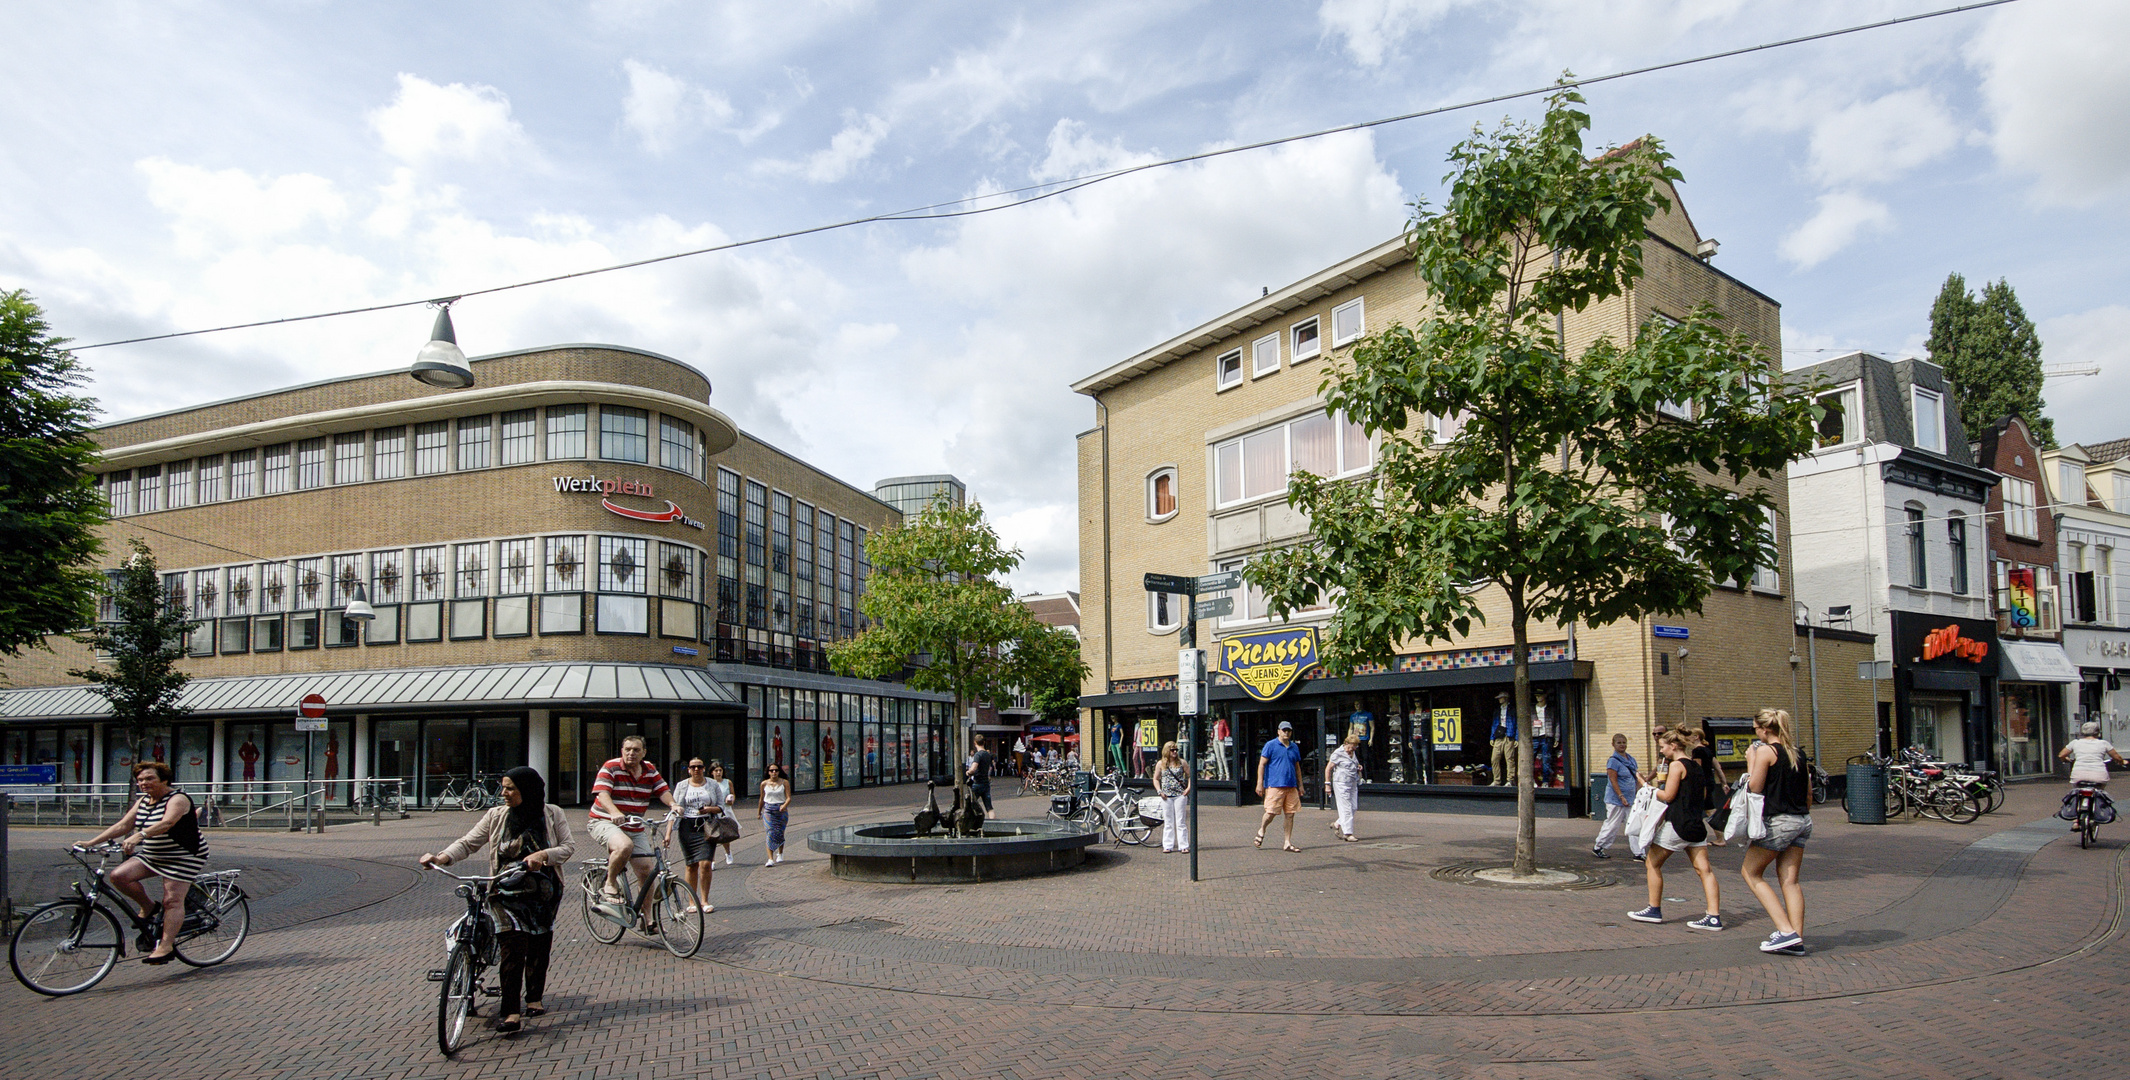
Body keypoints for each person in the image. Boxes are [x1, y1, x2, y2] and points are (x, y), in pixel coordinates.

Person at [421, 767, 574, 1033]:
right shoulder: (495, 815)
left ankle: (534, 997)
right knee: (512, 949)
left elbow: (568, 847)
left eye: (510, 788)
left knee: (539, 943)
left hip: (543, 893)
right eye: (503, 787)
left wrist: (544, 855)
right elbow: (469, 842)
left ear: (527, 790)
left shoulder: (552, 813)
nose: (503, 793)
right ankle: (511, 1012)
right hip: (502, 892)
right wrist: (442, 857)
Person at [82, 761, 206, 964]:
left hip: (183, 856)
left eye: (149, 778)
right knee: (119, 876)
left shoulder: (178, 799)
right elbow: (123, 825)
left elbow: (167, 823)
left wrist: (140, 835)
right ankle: (148, 907)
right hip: (153, 854)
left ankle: (165, 947)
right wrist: (91, 842)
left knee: (172, 901)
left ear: (164, 779)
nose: (143, 783)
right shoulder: (142, 801)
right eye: (140, 780)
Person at [1629, 728, 1722, 931]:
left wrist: (1648, 787)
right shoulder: (1696, 766)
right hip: (1697, 824)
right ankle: (1713, 916)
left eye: (1663, 747)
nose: (1662, 751)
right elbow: (1704, 793)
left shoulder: (1677, 765)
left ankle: (1654, 909)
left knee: (1652, 863)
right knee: (1704, 870)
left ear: (1673, 746)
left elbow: (1668, 796)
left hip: (1678, 823)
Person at [1740, 709, 1812, 955]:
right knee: (1790, 881)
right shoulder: (1798, 753)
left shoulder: (1765, 751)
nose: (1755, 733)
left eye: (1755, 729)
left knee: (1751, 872)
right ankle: (1797, 939)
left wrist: (1751, 762)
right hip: (1801, 820)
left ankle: (1785, 931)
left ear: (1764, 729)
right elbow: (1808, 794)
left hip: (1778, 821)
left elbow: (1755, 788)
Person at [587, 735, 675, 922]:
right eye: (627, 749)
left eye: (636, 750)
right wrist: (614, 812)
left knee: (646, 870)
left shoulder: (649, 770)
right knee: (624, 846)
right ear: (622, 751)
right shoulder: (611, 767)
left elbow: (663, 791)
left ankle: (648, 918)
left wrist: (674, 805)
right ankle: (610, 883)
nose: (631, 753)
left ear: (644, 752)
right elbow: (602, 794)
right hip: (605, 821)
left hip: (634, 825)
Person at [670, 759, 724, 913]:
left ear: (704, 768)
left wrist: (709, 809)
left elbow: (720, 807)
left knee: (706, 864)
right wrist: (668, 833)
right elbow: (675, 807)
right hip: (687, 827)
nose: (696, 770)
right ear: (688, 770)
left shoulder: (712, 784)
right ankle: (692, 901)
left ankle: (705, 900)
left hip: (707, 827)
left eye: (699, 767)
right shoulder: (681, 786)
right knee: (691, 865)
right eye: (693, 767)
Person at [1254, 721, 1304, 851]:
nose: (1286, 732)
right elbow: (1262, 764)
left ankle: (1287, 842)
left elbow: (1297, 767)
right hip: (1275, 784)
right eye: (1284, 730)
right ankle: (1262, 830)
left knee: (1290, 814)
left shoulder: (1294, 747)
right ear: (1278, 731)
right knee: (1270, 812)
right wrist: (1260, 783)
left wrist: (1301, 785)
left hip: (1291, 786)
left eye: (1289, 730)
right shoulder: (1270, 745)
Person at [1593, 733, 1639, 859]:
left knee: (1634, 824)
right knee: (1612, 824)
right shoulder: (1613, 761)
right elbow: (1613, 780)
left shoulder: (1631, 759)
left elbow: (1636, 777)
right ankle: (1599, 846)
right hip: (1616, 800)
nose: (1622, 745)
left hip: (1631, 798)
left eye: (1624, 742)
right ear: (1613, 744)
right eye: (1619, 743)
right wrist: (1621, 796)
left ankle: (1639, 852)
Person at [1686, 724, 1729, 847]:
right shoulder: (1708, 750)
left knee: (1708, 811)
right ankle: (1716, 837)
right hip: (1710, 783)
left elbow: (1697, 769)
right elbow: (1717, 767)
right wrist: (1724, 783)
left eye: (1690, 736)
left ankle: (1720, 838)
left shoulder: (1698, 751)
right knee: (1707, 810)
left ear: (1696, 737)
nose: (1688, 738)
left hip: (1702, 785)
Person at [2058, 721, 2126, 787]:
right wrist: (2122, 762)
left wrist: (2065, 759)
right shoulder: (2104, 743)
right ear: (2098, 732)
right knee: (2100, 793)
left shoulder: (2075, 743)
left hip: (2078, 775)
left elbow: (2061, 755)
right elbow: (2117, 757)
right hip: (2099, 775)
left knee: (2077, 792)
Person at [1155, 740, 1191, 853]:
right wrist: (1159, 791)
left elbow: (1190, 776)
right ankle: (1168, 845)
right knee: (1168, 821)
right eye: (1172, 750)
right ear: (1167, 751)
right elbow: (1156, 778)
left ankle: (1183, 845)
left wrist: (1188, 789)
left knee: (1180, 821)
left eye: (1176, 750)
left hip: (1179, 795)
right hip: (1166, 796)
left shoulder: (1182, 763)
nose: (1175, 752)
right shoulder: (1160, 764)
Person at [1325, 732, 1362, 841]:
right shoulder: (1338, 753)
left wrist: (1358, 767)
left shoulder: (1353, 753)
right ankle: (1348, 833)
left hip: (1352, 782)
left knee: (1353, 807)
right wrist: (1327, 785)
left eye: (1356, 746)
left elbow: (1354, 764)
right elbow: (1328, 769)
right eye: (1352, 746)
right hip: (1341, 783)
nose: (1354, 748)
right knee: (1346, 809)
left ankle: (1337, 823)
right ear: (1346, 743)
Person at [705, 762, 741, 866]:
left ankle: (728, 853)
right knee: (712, 835)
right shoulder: (708, 783)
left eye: (720, 770)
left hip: (725, 810)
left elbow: (732, 794)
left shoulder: (727, 782)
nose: (718, 773)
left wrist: (731, 800)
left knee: (724, 835)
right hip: (712, 811)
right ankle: (712, 859)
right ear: (712, 772)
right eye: (716, 771)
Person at [758, 762, 792, 865]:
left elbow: (789, 797)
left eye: (776, 770)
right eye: (771, 770)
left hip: (781, 810)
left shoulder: (784, 782)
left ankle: (780, 853)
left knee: (779, 832)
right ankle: (770, 859)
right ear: (768, 772)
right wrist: (759, 812)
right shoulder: (764, 784)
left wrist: (784, 805)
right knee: (770, 832)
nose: (774, 772)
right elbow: (762, 799)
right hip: (768, 810)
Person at [1488, 691, 1517, 786]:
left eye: (1501, 697)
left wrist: (1517, 738)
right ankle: (1496, 780)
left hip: (1509, 735)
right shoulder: (1497, 710)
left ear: (1506, 698)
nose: (1499, 699)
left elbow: (1517, 724)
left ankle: (1510, 780)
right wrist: (1492, 737)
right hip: (1499, 736)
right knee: (1494, 758)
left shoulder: (1512, 709)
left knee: (1509, 758)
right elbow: (1494, 724)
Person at [967, 736, 995, 812]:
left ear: (975, 743)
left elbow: (973, 769)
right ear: (984, 742)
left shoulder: (978, 755)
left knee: (969, 805)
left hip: (977, 783)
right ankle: (993, 821)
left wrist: (968, 772)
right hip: (986, 783)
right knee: (989, 807)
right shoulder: (988, 755)